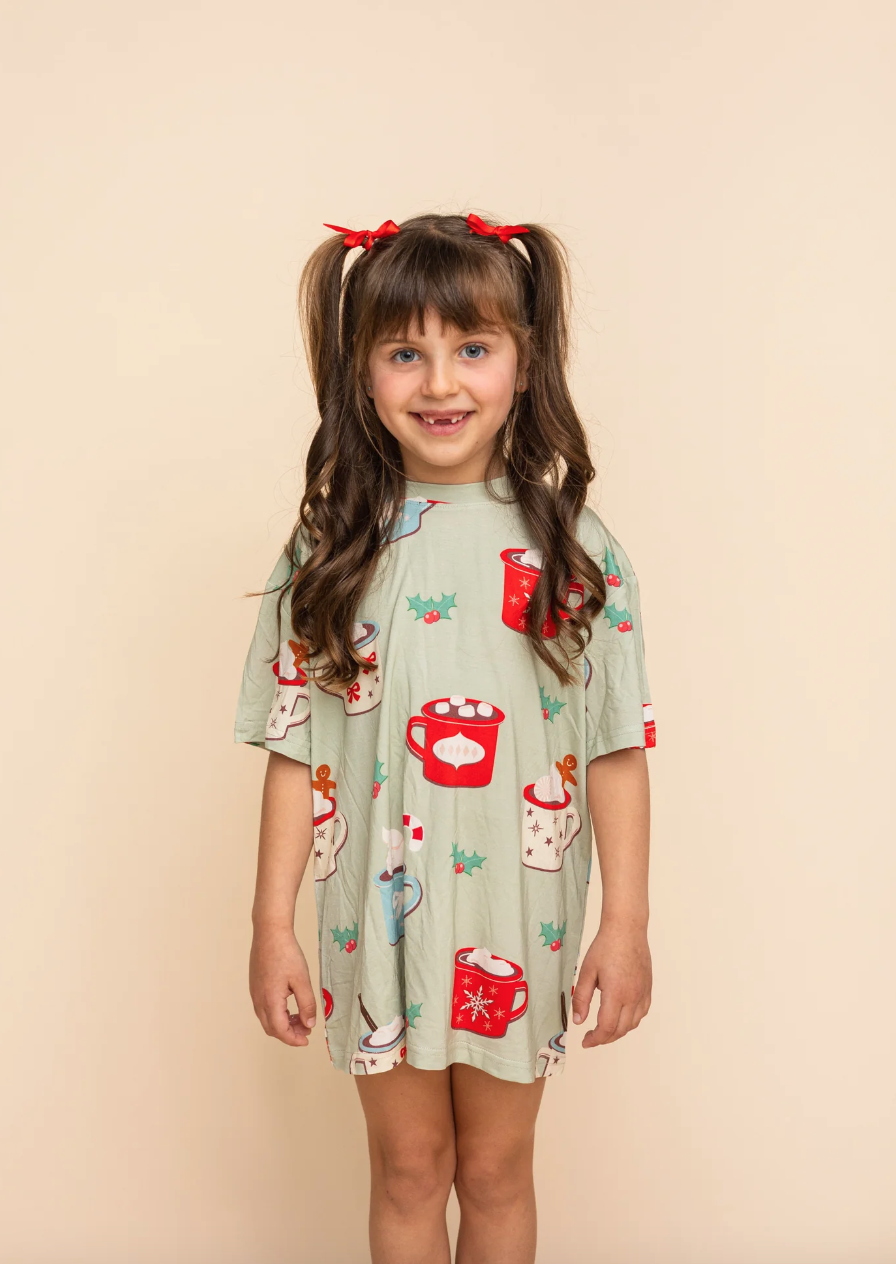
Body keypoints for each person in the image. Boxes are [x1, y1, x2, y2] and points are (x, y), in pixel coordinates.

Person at [234, 211, 656, 1264]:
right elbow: (295, 747)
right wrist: (272, 923)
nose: (438, 383)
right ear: (361, 372)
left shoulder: (575, 549)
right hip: (373, 916)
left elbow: (615, 747)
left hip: (521, 912)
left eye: (471, 348)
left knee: (496, 1171)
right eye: (403, 353)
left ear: (524, 361)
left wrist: (625, 923)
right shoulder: (329, 547)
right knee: (409, 1169)